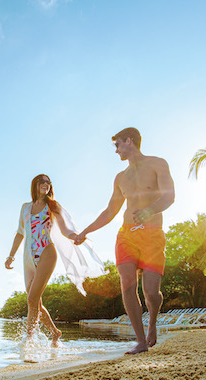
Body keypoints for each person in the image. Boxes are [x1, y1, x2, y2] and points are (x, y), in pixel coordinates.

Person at [75, 128, 175, 354]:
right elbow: (110, 210)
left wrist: (151, 210)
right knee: (127, 284)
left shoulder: (158, 164)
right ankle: (140, 341)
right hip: (126, 235)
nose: (116, 150)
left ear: (129, 141)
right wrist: (85, 231)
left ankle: (152, 324)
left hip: (152, 234)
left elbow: (170, 196)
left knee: (151, 292)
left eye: (117, 145)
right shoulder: (120, 178)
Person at [6, 174, 104, 348]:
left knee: (31, 298)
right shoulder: (25, 208)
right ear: (35, 185)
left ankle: (29, 342)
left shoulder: (52, 206)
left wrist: (75, 236)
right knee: (36, 301)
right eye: (42, 181)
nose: (46, 184)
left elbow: (65, 229)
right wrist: (11, 255)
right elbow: (20, 233)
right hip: (28, 257)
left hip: (47, 252)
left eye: (48, 182)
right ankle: (55, 332)